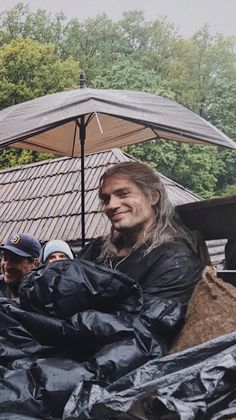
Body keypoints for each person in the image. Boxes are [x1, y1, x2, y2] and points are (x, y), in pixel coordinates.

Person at [79, 161, 204, 305]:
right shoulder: (95, 250)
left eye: (124, 194)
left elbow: (143, 322)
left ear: (153, 197)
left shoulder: (176, 262)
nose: (111, 205)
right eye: (106, 199)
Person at [0, 232, 41, 298]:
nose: (7, 266)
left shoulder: (47, 297)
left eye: (15, 260)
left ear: (35, 264)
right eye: (5, 258)